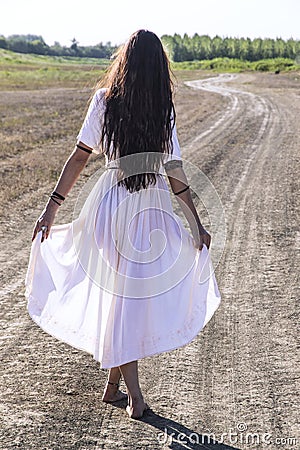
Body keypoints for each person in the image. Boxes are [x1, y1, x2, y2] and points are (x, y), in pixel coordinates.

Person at [25, 30, 221, 420]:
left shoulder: (104, 101)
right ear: (158, 68)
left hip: (108, 205)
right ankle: (136, 397)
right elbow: (174, 171)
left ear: (125, 62)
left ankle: (114, 386)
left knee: (122, 299)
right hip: (148, 208)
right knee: (127, 300)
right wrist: (194, 222)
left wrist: (52, 207)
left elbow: (80, 157)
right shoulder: (163, 109)